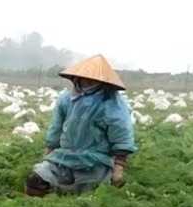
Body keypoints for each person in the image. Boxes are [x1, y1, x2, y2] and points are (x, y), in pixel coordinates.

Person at [25, 55, 137, 197]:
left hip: (95, 161)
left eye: (92, 80)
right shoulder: (67, 99)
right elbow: (56, 128)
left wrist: (118, 168)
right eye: (85, 78)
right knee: (35, 181)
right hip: (64, 157)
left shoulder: (112, 104)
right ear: (77, 77)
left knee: (87, 197)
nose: (87, 82)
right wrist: (49, 152)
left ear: (101, 82)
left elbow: (122, 135)